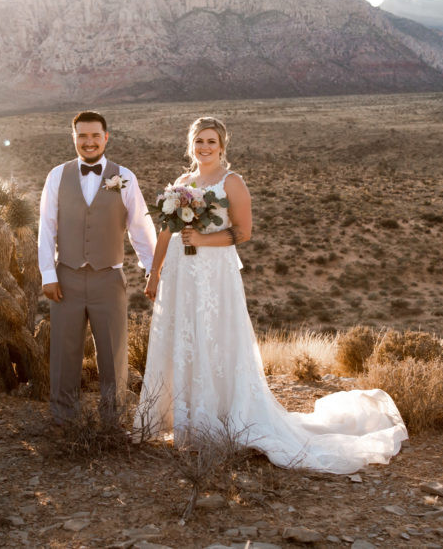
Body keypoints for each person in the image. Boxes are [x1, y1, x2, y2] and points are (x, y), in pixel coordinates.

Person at [135, 117, 407, 473]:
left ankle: (215, 422)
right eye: (199, 141)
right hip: (181, 276)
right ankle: (186, 425)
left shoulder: (232, 182)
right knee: (186, 339)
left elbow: (243, 232)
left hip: (215, 276)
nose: (205, 147)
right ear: (191, 145)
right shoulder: (183, 183)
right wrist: (155, 273)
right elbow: (166, 231)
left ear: (222, 146)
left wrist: (202, 239)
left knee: (216, 340)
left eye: (211, 142)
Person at [38, 110, 157, 427]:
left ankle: (113, 422)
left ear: (106, 138)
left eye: (95, 136)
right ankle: (64, 421)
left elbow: (141, 229)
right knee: (64, 353)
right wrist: (48, 275)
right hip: (67, 278)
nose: (88, 142)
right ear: (73, 138)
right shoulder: (56, 176)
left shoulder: (125, 177)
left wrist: (153, 270)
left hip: (109, 278)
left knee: (113, 353)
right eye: (82, 136)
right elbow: (46, 228)